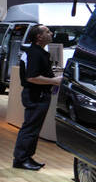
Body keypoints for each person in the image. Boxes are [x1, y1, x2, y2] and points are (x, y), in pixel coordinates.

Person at [12, 24, 62, 170]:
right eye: (47, 31)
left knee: (33, 128)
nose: (51, 33)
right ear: (39, 37)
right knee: (30, 128)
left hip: (38, 95)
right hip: (35, 95)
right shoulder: (35, 53)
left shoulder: (37, 52)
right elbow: (32, 77)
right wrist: (53, 81)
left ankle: (26, 157)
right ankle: (20, 159)